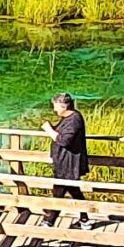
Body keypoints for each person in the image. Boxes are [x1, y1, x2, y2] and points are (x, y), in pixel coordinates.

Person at [43, 90, 89, 229]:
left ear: (64, 107)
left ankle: (49, 220)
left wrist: (49, 130)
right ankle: (85, 219)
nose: (54, 109)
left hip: (69, 164)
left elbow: (64, 140)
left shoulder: (74, 120)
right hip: (63, 162)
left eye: (55, 106)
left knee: (59, 192)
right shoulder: (68, 118)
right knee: (73, 191)